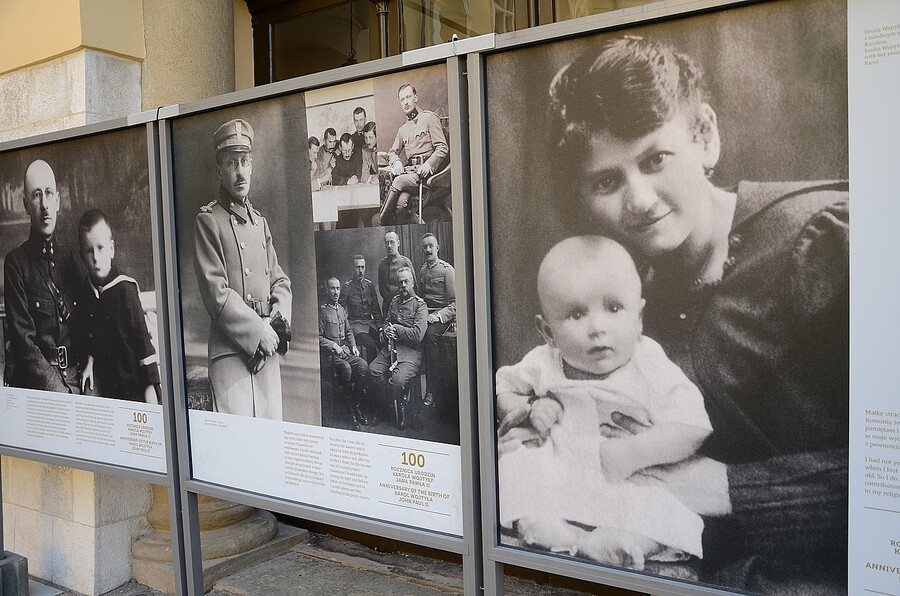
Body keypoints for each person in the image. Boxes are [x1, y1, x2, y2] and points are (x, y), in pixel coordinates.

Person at [546, 36, 848, 591]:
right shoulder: (628, 301)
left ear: (704, 136)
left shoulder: (824, 241)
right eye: (607, 181)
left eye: (654, 159)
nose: (637, 199)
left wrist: (732, 488)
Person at [496, 236, 712, 570]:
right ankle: (549, 529)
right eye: (577, 314)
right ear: (547, 331)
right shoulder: (543, 362)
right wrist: (528, 406)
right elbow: (501, 389)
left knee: (664, 503)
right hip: (560, 469)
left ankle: (622, 542)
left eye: (613, 309)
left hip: (627, 477)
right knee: (513, 464)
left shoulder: (649, 362)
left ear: (639, 316)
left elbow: (693, 425)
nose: (597, 328)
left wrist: (634, 453)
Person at [194, 118, 292, 420]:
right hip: (232, 353)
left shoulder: (260, 222)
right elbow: (217, 294)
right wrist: (256, 333)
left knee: (270, 445)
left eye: (245, 162)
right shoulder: (208, 221)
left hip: (268, 350)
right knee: (236, 448)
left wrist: (275, 326)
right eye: (232, 163)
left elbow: (280, 281)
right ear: (219, 171)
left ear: (252, 165)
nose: (240, 172)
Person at [4, 159, 80, 393]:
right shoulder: (16, 264)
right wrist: (60, 394)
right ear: (26, 204)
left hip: (78, 383)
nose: (44, 204)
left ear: (57, 201)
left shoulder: (72, 259)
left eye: (48, 194)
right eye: (37, 195)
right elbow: (25, 347)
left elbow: (88, 325)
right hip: (41, 391)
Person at [74, 209, 160, 403]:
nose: (96, 257)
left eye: (101, 248)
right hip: (108, 386)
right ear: (82, 255)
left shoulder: (125, 289)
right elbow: (90, 333)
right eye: (89, 250)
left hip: (134, 384)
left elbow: (142, 342)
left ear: (112, 249)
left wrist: (149, 391)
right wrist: (90, 359)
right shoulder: (86, 291)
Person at [373, 84, 448, 225]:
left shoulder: (429, 118)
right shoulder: (403, 129)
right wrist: (396, 162)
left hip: (427, 175)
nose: (406, 102)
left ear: (416, 97)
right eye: (402, 99)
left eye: (408, 97)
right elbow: (392, 152)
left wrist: (428, 165)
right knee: (401, 203)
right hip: (412, 176)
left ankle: (382, 221)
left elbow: (442, 148)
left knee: (398, 181)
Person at [369, 266, 427, 430]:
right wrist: (387, 328)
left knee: (397, 380)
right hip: (391, 349)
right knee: (373, 370)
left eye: (406, 282)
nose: (403, 285)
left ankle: (402, 404)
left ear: (413, 282)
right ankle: (386, 404)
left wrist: (397, 329)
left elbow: (417, 335)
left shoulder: (420, 306)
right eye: (400, 282)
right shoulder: (394, 302)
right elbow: (387, 321)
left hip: (411, 354)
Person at [319, 276, 370, 431]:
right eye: (332, 288)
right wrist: (333, 345)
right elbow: (318, 337)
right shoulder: (323, 311)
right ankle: (349, 414)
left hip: (346, 351)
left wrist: (353, 346)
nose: (336, 292)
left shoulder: (341, 310)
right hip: (330, 356)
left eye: (338, 288)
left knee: (363, 365)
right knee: (346, 368)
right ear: (327, 290)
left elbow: (348, 331)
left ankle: (355, 405)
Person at [418, 232, 456, 410]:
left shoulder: (447, 270)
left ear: (437, 248)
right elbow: (421, 297)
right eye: (425, 246)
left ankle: (431, 390)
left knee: (430, 335)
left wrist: (438, 316)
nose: (427, 250)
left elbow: (455, 304)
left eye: (430, 246)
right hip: (425, 314)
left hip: (442, 317)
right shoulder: (423, 270)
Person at [340, 255, 382, 363]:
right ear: (352, 268)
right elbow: (340, 311)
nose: (360, 270)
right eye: (357, 267)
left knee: (383, 342)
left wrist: (380, 328)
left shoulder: (369, 286)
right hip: (355, 325)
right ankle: (369, 376)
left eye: (362, 267)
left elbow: (376, 310)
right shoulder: (347, 287)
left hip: (370, 324)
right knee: (371, 345)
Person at [377, 230, 414, 317]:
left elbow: (413, 285)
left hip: (403, 306)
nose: (389, 246)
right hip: (387, 307)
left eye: (392, 242)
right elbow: (381, 288)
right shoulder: (382, 264)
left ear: (398, 243)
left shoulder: (405, 262)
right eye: (387, 243)